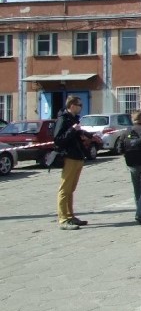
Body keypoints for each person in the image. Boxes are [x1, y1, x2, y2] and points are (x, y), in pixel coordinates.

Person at [53, 95, 94, 230]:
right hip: (69, 157)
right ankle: (63, 219)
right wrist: (73, 130)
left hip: (78, 156)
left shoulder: (73, 119)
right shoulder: (63, 119)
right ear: (71, 105)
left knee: (71, 189)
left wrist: (90, 136)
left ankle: (70, 216)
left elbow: (77, 134)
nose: (81, 108)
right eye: (79, 105)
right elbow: (58, 139)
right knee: (64, 189)